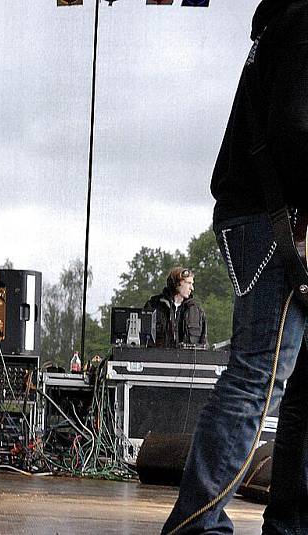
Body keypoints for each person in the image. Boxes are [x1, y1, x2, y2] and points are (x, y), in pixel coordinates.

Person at [162, 2, 308, 533]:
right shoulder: (303, 19)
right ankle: (194, 526)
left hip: (263, 216)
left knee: (290, 383)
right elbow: (295, 131)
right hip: (276, 222)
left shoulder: (282, 22)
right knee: (258, 376)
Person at [143, 267, 207, 349]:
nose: (192, 288)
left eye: (192, 284)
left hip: (187, 360)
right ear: (177, 283)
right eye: (188, 283)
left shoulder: (197, 311)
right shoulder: (153, 306)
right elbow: (143, 341)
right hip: (157, 360)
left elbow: (203, 345)